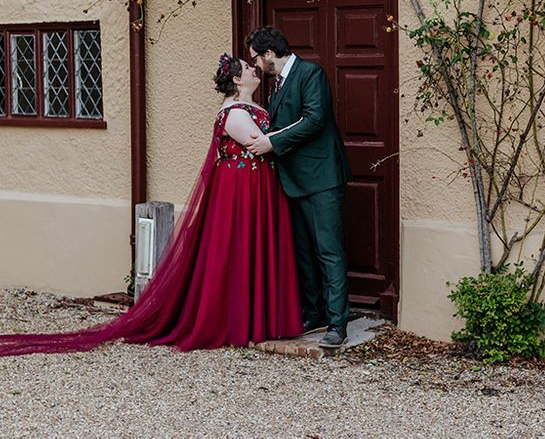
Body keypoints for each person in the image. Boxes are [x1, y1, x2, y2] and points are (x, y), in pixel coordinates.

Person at [0, 55, 303, 356]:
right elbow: (258, 142)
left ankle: (261, 316)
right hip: (240, 188)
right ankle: (239, 320)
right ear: (237, 80)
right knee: (238, 246)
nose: (254, 70)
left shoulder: (255, 106)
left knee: (256, 244)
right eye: (248, 68)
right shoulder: (234, 112)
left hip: (259, 184)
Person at [245, 27, 352, 348]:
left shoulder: (310, 73)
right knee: (304, 253)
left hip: (322, 178)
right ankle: (314, 313)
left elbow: (314, 119)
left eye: (255, 58)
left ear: (268, 55)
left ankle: (338, 324)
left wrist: (270, 142)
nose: (254, 65)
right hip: (293, 181)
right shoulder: (276, 85)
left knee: (329, 252)